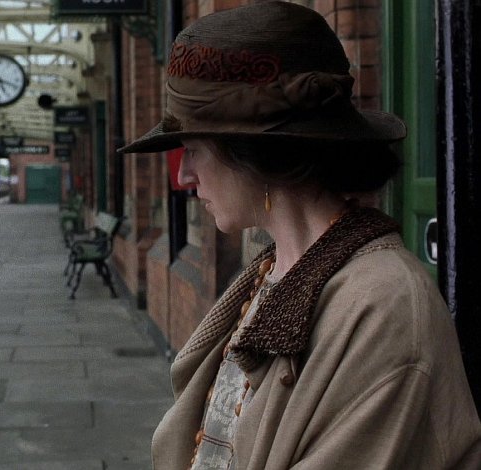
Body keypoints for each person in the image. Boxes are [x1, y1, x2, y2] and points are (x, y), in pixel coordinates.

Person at [118, 3, 481, 469]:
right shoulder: (272, 273)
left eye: (193, 150)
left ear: (258, 153)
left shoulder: (384, 306)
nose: (184, 176)